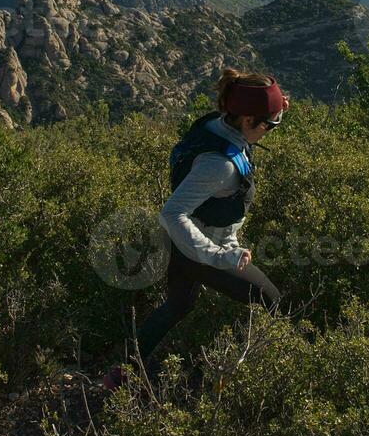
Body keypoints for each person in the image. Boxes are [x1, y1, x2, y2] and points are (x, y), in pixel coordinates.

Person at [104, 69, 288, 390]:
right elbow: (173, 213)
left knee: (178, 305)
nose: (271, 131)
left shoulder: (216, 124)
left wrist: (275, 104)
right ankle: (278, 381)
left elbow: (251, 106)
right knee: (273, 302)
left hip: (178, 246)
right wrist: (220, 257)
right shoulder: (221, 165)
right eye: (270, 125)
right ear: (247, 120)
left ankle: (119, 374)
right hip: (201, 251)